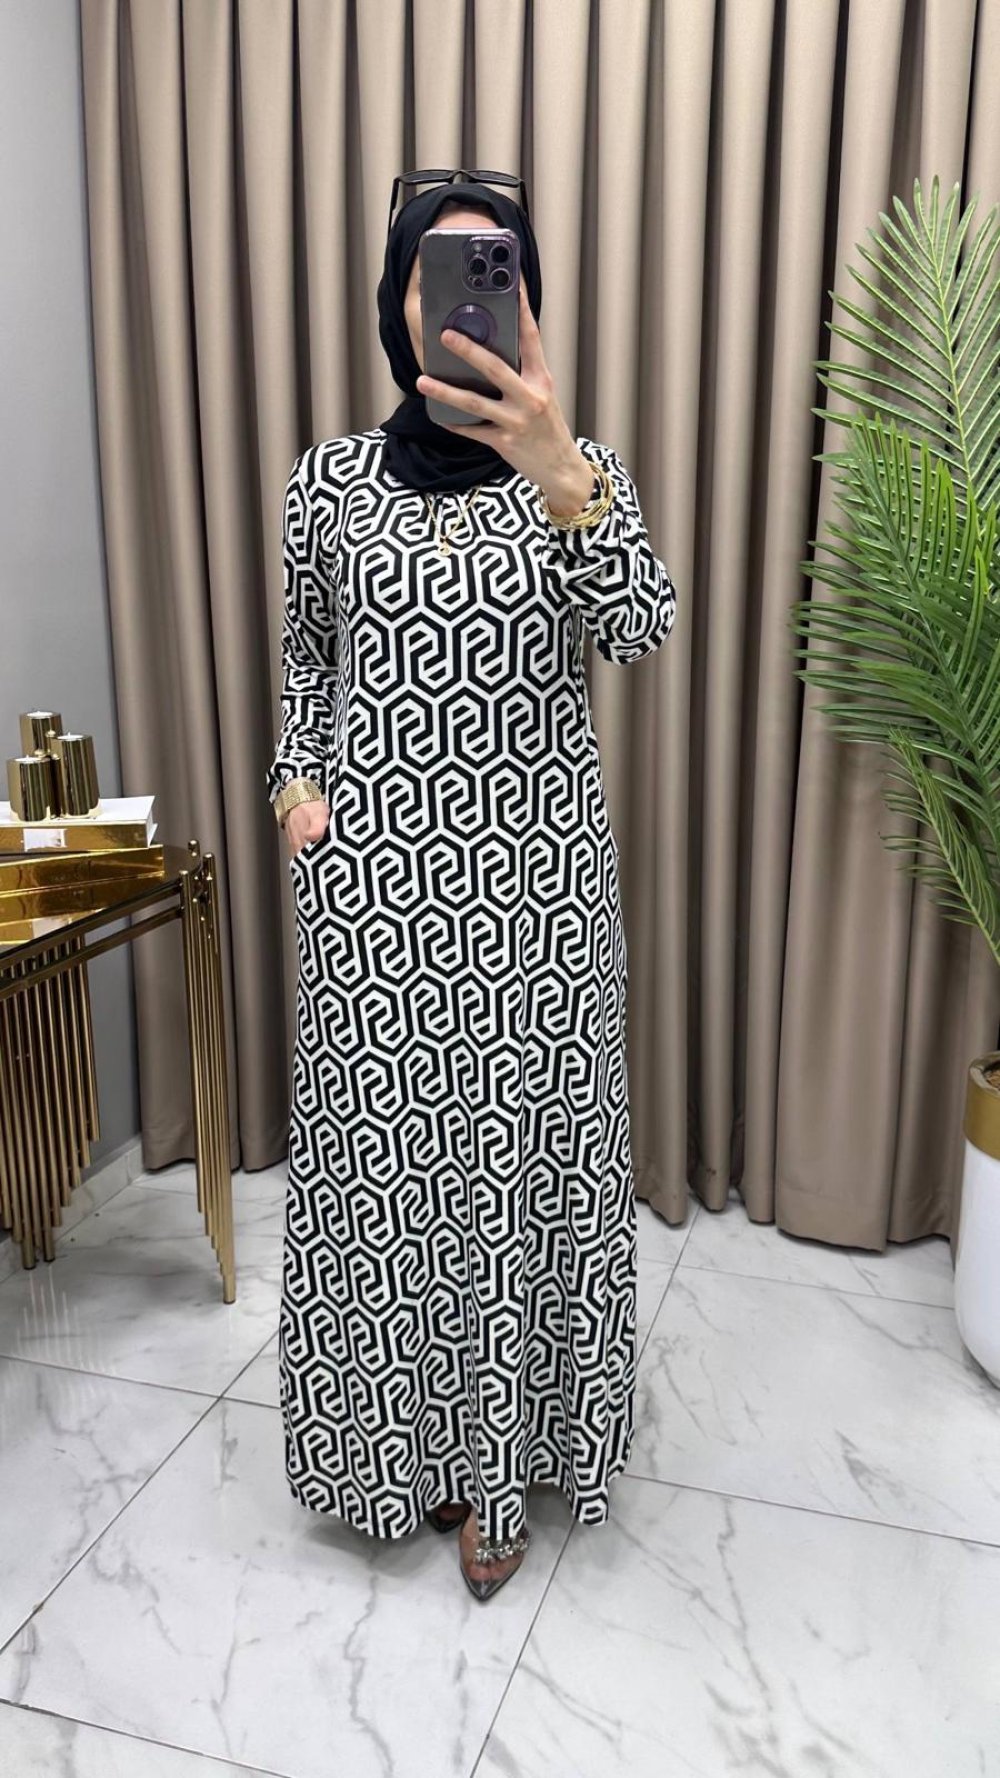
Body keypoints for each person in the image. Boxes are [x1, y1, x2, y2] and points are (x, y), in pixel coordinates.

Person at [266, 173, 677, 1602]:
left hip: (539, 908)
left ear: (524, 301)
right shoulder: (325, 481)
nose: (455, 304)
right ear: (396, 307)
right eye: (428, 276)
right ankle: (408, 1454)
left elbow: (642, 629)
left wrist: (567, 479)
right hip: (371, 903)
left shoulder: (578, 470)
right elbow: (305, 664)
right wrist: (294, 789)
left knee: (523, 1185)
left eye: (488, 273)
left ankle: (507, 1466)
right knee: (393, 1198)